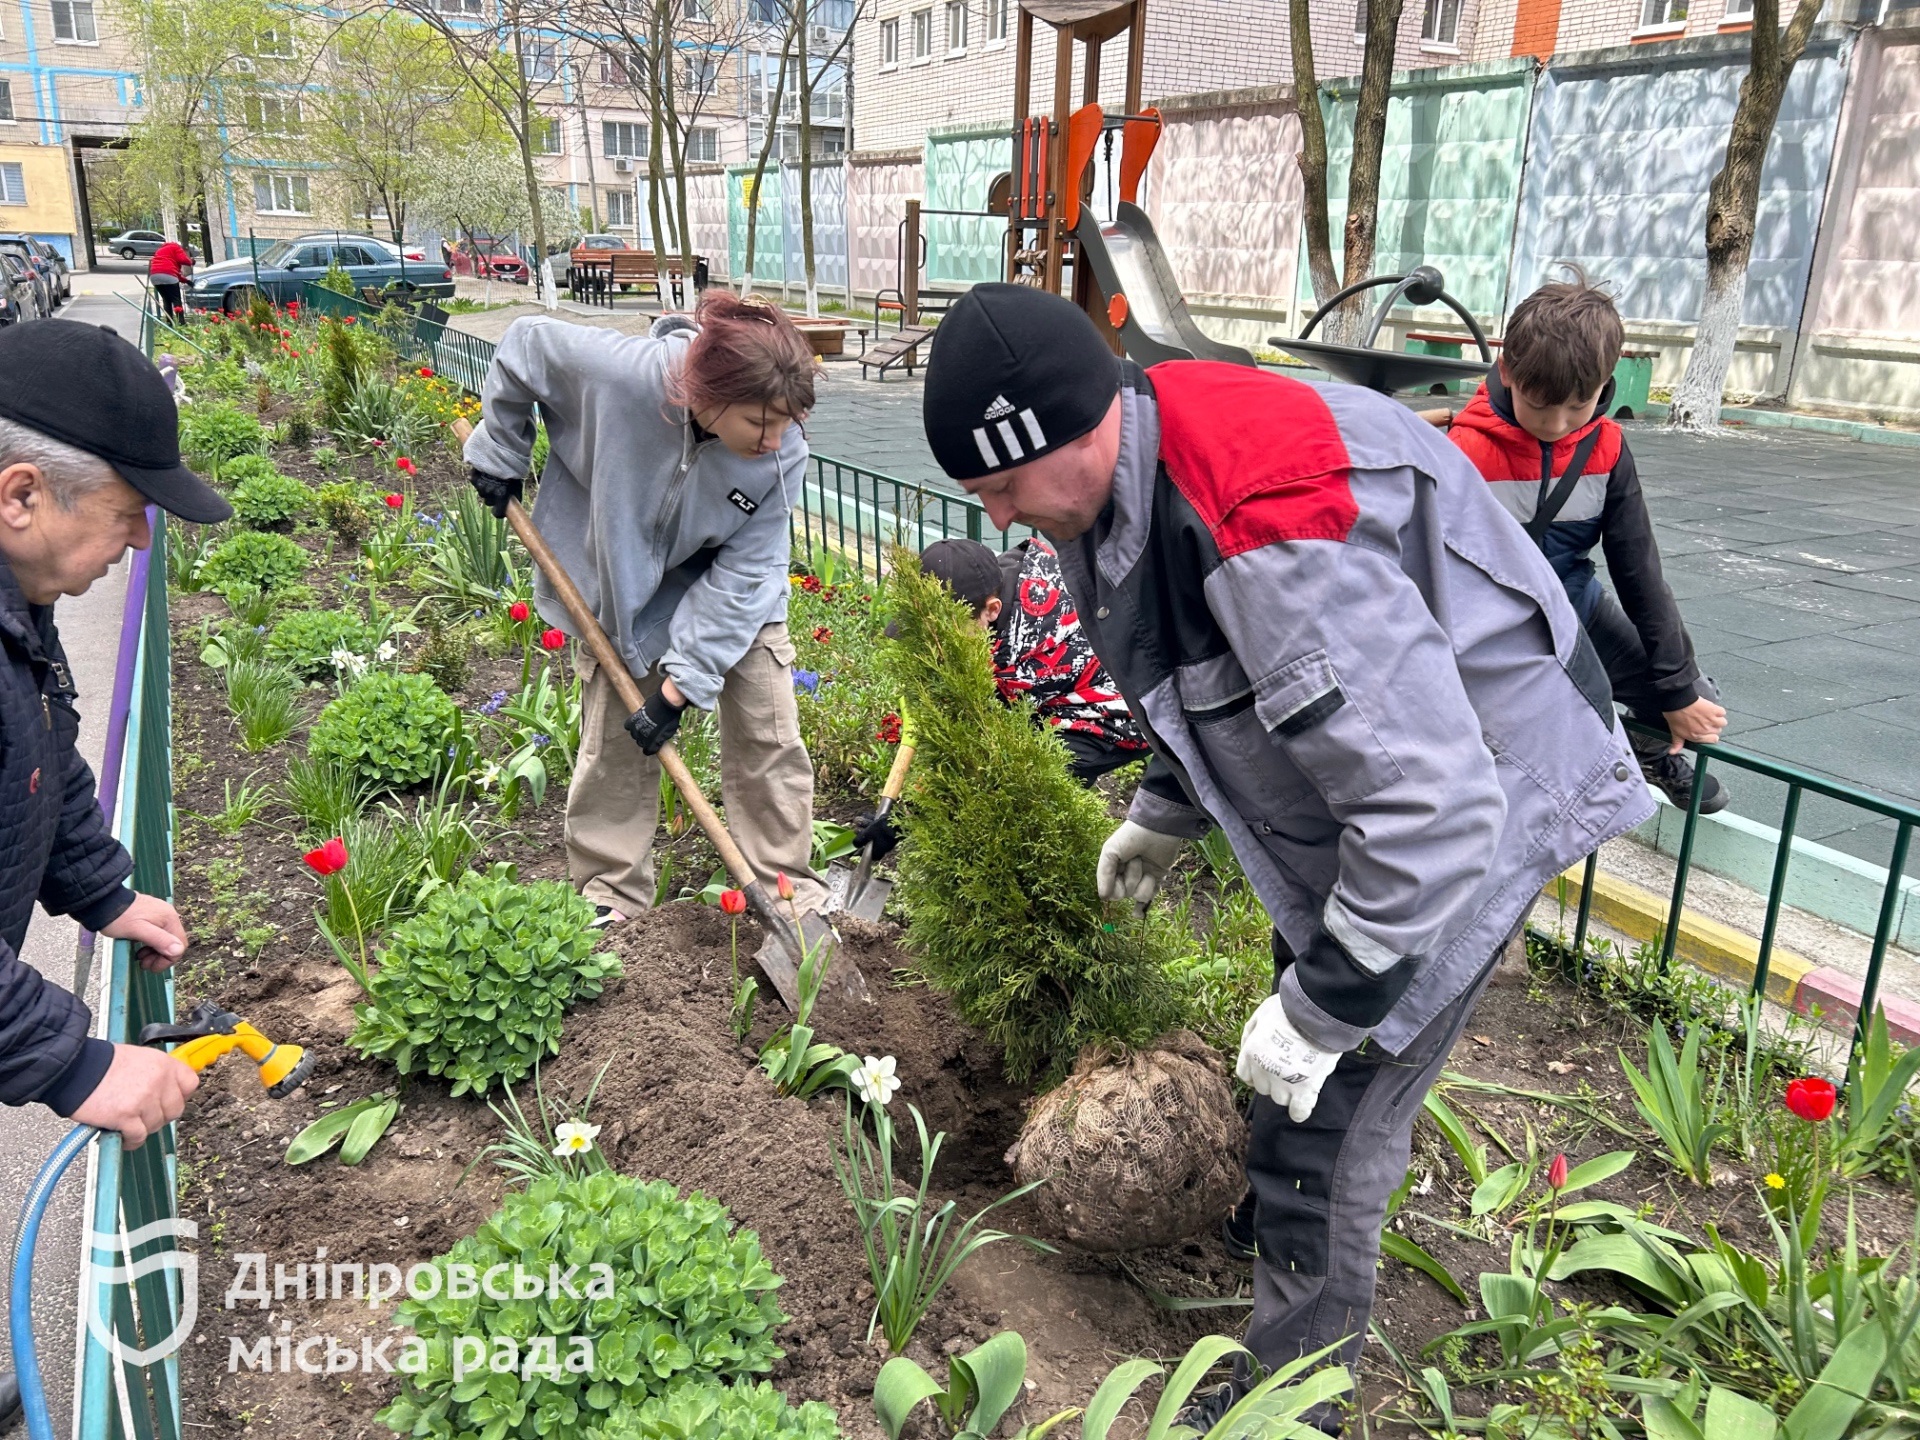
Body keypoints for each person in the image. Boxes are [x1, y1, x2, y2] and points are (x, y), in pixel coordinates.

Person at [920, 285, 1655, 1434]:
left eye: (1003, 487)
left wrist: (1327, 1008)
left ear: (1069, 427)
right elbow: (1215, 673)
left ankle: (1295, 1388)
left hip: (1487, 787)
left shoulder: (1264, 524)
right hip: (1377, 790)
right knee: (1305, 1036)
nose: (1002, 521)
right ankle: (1280, 1218)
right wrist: (1167, 806)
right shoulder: (1121, 480)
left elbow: (1433, 810)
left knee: (1337, 1103)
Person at [464, 293, 830, 926]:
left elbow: (747, 570)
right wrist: (501, 450)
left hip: (735, 587)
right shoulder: (622, 374)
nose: (775, 439)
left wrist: (681, 688)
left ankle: (787, 890)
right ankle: (610, 893)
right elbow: (524, 343)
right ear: (706, 396)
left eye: (788, 422)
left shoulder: (781, 453)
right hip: (622, 578)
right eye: (761, 422)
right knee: (615, 738)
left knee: (768, 729)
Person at [0, 319, 232, 1150]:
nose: (140, 539)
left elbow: (39, 750)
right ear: (20, 497)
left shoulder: (19, 600)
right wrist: (71, 1061)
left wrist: (100, 888)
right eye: (126, 512)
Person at [1449, 275, 1729, 813]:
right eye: (1539, 406)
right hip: (1489, 625)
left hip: (1573, 604)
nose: (1557, 425)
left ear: (1606, 383)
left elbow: (1638, 570)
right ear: (1508, 371)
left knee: (1695, 700)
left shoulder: (1607, 448)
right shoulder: (1462, 445)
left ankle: (1643, 745)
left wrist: (1676, 690)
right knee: (1520, 722)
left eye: (1578, 407)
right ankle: (1582, 746)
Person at [147, 237, 194, 322]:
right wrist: (191, 262)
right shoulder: (176, 247)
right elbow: (182, 260)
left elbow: (172, 272)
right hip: (169, 276)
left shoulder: (160, 250)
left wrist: (186, 281)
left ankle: (169, 323)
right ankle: (181, 323)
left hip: (154, 276)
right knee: (176, 300)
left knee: (166, 300)